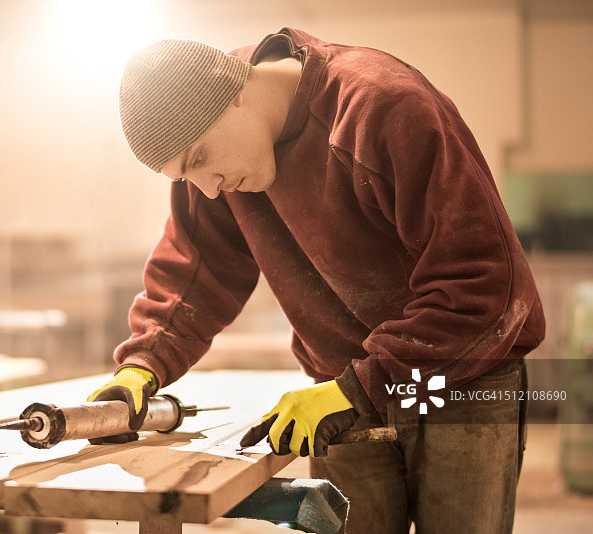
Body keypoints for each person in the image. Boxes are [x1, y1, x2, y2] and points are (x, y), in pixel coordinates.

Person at [87, 27, 545, 533]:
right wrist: (142, 365)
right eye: (184, 177)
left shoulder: (381, 106)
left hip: (458, 376)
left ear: (236, 94)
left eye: (198, 159)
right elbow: (198, 269)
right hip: (342, 389)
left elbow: (484, 284)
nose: (208, 190)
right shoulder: (215, 155)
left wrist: (358, 388)